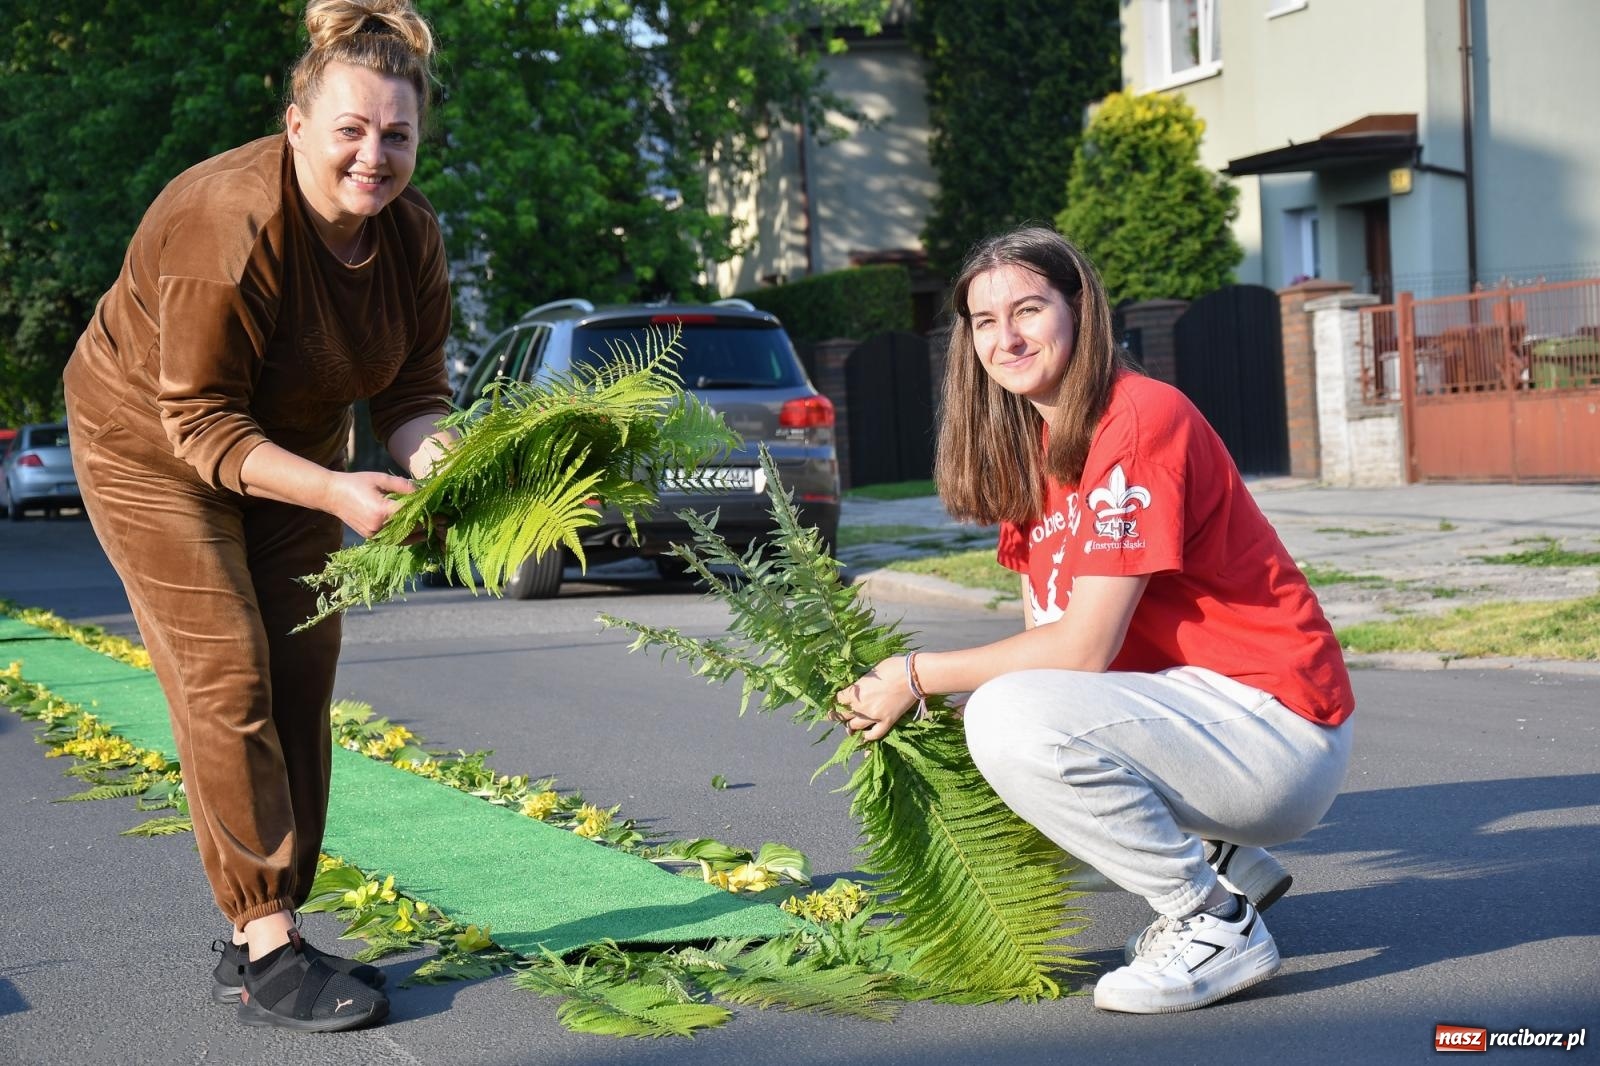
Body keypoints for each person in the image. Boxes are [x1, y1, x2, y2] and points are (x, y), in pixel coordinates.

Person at [834, 226, 1354, 1015]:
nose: (1006, 337)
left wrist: (914, 676)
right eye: (983, 322)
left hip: (1273, 726)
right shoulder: (1038, 452)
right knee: (989, 732)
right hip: (1200, 716)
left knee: (1007, 717)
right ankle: (1225, 865)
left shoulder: (1141, 419)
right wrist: (959, 703)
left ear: (1080, 309)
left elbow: (1081, 649)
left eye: (1029, 309)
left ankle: (1212, 920)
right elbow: (1050, 648)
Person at [63, 0, 453, 1032]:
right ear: (295, 125)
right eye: (351, 131)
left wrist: (450, 471)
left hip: (293, 451)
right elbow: (197, 421)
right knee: (227, 663)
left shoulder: (410, 240)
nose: (375, 156)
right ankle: (267, 941)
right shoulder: (224, 220)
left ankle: (269, 929)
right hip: (153, 447)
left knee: (301, 663)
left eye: (398, 136)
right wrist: (337, 491)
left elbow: (413, 395)